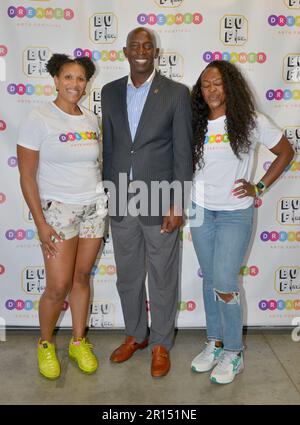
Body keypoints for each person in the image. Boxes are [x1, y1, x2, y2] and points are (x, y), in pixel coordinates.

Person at [190, 60, 294, 384]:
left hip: (235, 212)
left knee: (224, 280)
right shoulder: (195, 122)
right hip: (200, 210)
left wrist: (259, 186)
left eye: (218, 83)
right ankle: (215, 342)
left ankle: (234, 352)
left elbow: (286, 152)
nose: (212, 89)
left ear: (230, 86)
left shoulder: (250, 121)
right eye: (206, 84)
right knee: (210, 280)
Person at [101, 27, 193, 377]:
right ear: (125, 52)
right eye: (135, 46)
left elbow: (183, 153)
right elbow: (110, 149)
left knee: (163, 277)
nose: (141, 50)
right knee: (128, 276)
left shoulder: (175, 93)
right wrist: (110, 196)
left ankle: (160, 344)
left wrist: (177, 202)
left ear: (156, 52)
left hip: (160, 203)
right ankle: (135, 335)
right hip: (122, 200)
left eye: (147, 46)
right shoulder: (109, 93)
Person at [17, 54, 107, 379]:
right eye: (68, 77)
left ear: (86, 84)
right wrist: (41, 223)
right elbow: (27, 176)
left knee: (82, 278)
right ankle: (45, 343)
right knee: (57, 286)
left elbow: (96, 165)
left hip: (94, 208)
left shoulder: (90, 118)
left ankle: (78, 341)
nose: (74, 84)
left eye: (80, 78)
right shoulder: (39, 117)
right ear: (55, 79)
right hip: (59, 210)